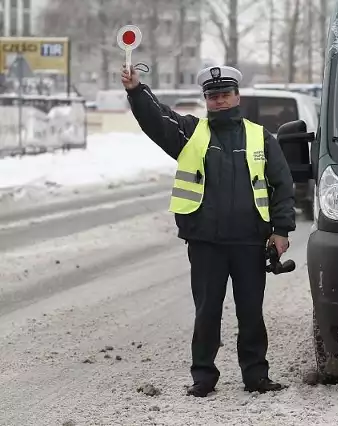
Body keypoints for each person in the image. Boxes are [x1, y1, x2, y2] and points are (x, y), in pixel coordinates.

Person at [120, 63, 296, 397]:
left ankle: (256, 375)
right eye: (212, 96)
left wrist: (282, 230)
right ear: (205, 100)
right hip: (206, 243)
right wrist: (136, 90)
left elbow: (282, 185)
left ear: (237, 96)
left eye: (225, 94)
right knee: (207, 312)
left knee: (251, 313)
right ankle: (203, 377)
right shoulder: (190, 133)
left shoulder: (261, 137)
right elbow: (157, 119)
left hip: (249, 242)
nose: (219, 101)